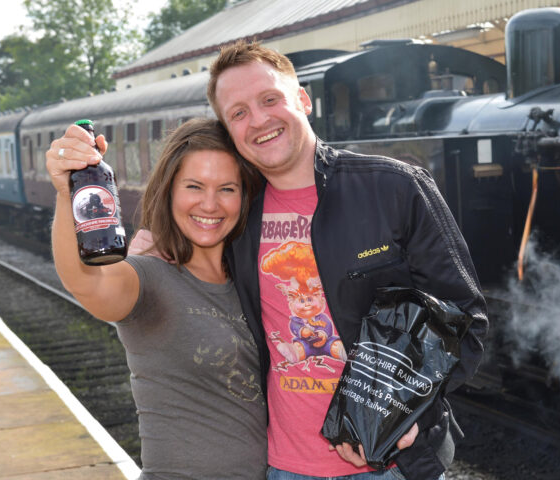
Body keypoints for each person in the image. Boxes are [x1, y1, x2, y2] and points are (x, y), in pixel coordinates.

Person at [204, 41, 489, 480]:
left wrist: (407, 415)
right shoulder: (236, 214)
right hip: (282, 466)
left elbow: (464, 321)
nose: (258, 119)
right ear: (228, 128)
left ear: (303, 100)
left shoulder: (394, 188)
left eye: (269, 99)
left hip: (392, 464)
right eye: (238, 112)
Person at [45, 118, 267, 480]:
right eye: (194, 186)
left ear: (245, 197)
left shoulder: (253, 279)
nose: (209, 204)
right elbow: (88, 282)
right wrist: (65, 192)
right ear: (169, 190)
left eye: (227, 188)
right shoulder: (149, 279)